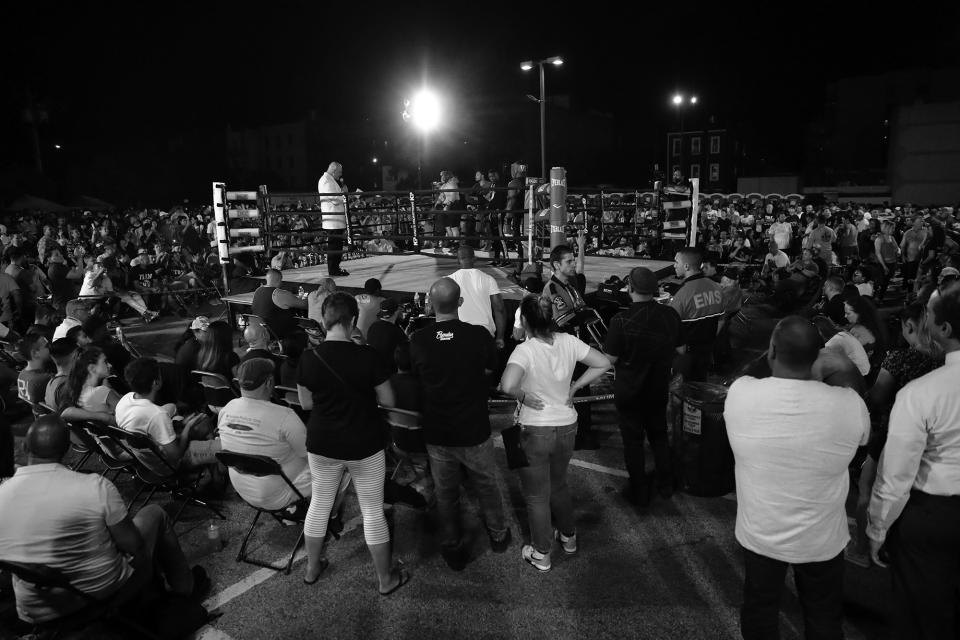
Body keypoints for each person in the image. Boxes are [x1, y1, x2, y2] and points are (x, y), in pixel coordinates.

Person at [725, 316, 870, 639]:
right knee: (823, 616)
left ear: (772, 351)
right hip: (822, 539)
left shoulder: (741, 394)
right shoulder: (848, 404)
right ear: (818, 356)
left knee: (760, 610)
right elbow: (863, 434)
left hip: (762, 533)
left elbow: (747, 375)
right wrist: (834, 367)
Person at [0, 415, 206, 624]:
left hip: (35, 611)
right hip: (102, 596)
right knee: (154, 514)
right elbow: (134, 547)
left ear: (26, 448)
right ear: (68, 451)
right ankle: (183, 593)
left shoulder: (2, 494)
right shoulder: (95, 486)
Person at [295, 292, 406, 593]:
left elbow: (305, 403)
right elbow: (388, 399)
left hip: (322, 443)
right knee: (371, 510)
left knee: (319, 504)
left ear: (324, 320)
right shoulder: (367, 356)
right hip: (363, 443)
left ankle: (312, 567)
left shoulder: (309, 358)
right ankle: (385, 579)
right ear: (353, 320)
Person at [867, 282, 960, 638]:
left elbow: (897, 473)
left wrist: (878, 527)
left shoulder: (923, 393)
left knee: (923, 611)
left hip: (934, 512)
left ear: (944, 329)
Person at [499, 295, 610, 571]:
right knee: (558, 484)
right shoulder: (568, 342)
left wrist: (523, 396)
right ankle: (569, 537)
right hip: (566, 425)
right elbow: (603, 363)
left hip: (536, 428)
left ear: (524, 321)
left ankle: (541, 553)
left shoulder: (524, 351)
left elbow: (507, 384)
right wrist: (573, 388)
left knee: (537, 495)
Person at [409, 278, 511, 570]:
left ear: (430, 304)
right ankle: (498, 535)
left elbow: (416, 375)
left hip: (438, 430)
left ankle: (453, 545)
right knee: (487, 485)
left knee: (445, 492)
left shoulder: (419, 339)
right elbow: (491, 370)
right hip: (474, 427)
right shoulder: (478, 336)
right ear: (461, 303)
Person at [604, 267, 682, 506]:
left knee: (633, 442)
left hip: (629, 390)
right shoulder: (670, 315)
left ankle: (639, 491)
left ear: (631, 289)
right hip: (658, 387)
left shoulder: (620, 320)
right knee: (659, 436)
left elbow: (610, 359)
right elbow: (681, 350)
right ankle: (666, 484)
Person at [218, 358, 314, 510]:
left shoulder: (226, 410)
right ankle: (329, 518)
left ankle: (293, 515)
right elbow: (311, 456)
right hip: (277, 494)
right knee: (337, 469)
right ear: (269, 382)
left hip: (242, 489)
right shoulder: (285, 416)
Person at [115, 357, 222, 472]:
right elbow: (177, 455)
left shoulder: (124, 401)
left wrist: (179, 425)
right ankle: (216, 471)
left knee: (176, 411)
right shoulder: (157, 414)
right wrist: (187, 427)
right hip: (169, 465)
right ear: (155, 383)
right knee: (210, 429)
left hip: (147, 458)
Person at [543, 234, 598, 449]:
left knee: (582, 389)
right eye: (569, 261)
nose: (574, 263)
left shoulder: (570, 283)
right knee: (574, 391)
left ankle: (582, 433)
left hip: (578, 348)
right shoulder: (553, 289)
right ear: (556, 265)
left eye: (573, 260)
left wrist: (582, 247)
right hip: (566, 351)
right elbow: (566, 319)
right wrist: (587, 313)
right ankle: (576, 436)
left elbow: (581, 272)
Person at [670, 248, 725, 382]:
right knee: (699, 386)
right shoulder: (717, 288)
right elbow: (722, 320)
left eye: (676, 262)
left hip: (685, 356)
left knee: (682, 390)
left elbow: (671, 330)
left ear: (686, 266)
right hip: (706, 352)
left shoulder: (682, 294)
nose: (674, 265)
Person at [448, 246, 506, 348]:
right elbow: (499, 309)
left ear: (458, 260)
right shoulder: (489, 279)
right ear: (474, 259)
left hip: (459, 333)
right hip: (484, 334)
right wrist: (500, 337)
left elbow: (441, 309)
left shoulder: (449, 281)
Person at [250, 269, 307, 340]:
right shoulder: (279, 293)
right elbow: (303, 304)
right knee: (302, 328)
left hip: (260, 330)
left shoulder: (258, 290)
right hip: (277, 332)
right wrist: (311, 297)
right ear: (279, 280)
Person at [64, 346, 122, 416]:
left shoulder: (75, 391)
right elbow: (127, 412)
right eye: (105, 361)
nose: (110, 365)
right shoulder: (102, 391)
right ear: (92, 368)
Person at [318, 161, 350, 277]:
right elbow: (334, 199)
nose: (340, 175)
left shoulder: (329, 180)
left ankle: (335, 268)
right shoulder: (326, 180)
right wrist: (344, 194)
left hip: (335, 220)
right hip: (333, 220)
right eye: (339, 172)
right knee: (334, 245)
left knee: (337, 245)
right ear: (333, 170)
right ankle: (333, 270)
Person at [366, 298, 408, 375]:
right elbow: (407, 353)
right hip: (390, 374)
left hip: (373, 371)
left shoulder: (373, 326)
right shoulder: (397, 332)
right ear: (396, 312)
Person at [16, 333, 52, 408]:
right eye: (47, 346)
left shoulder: (22, 373)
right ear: (35, 353)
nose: (51, 347)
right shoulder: (45, 379)